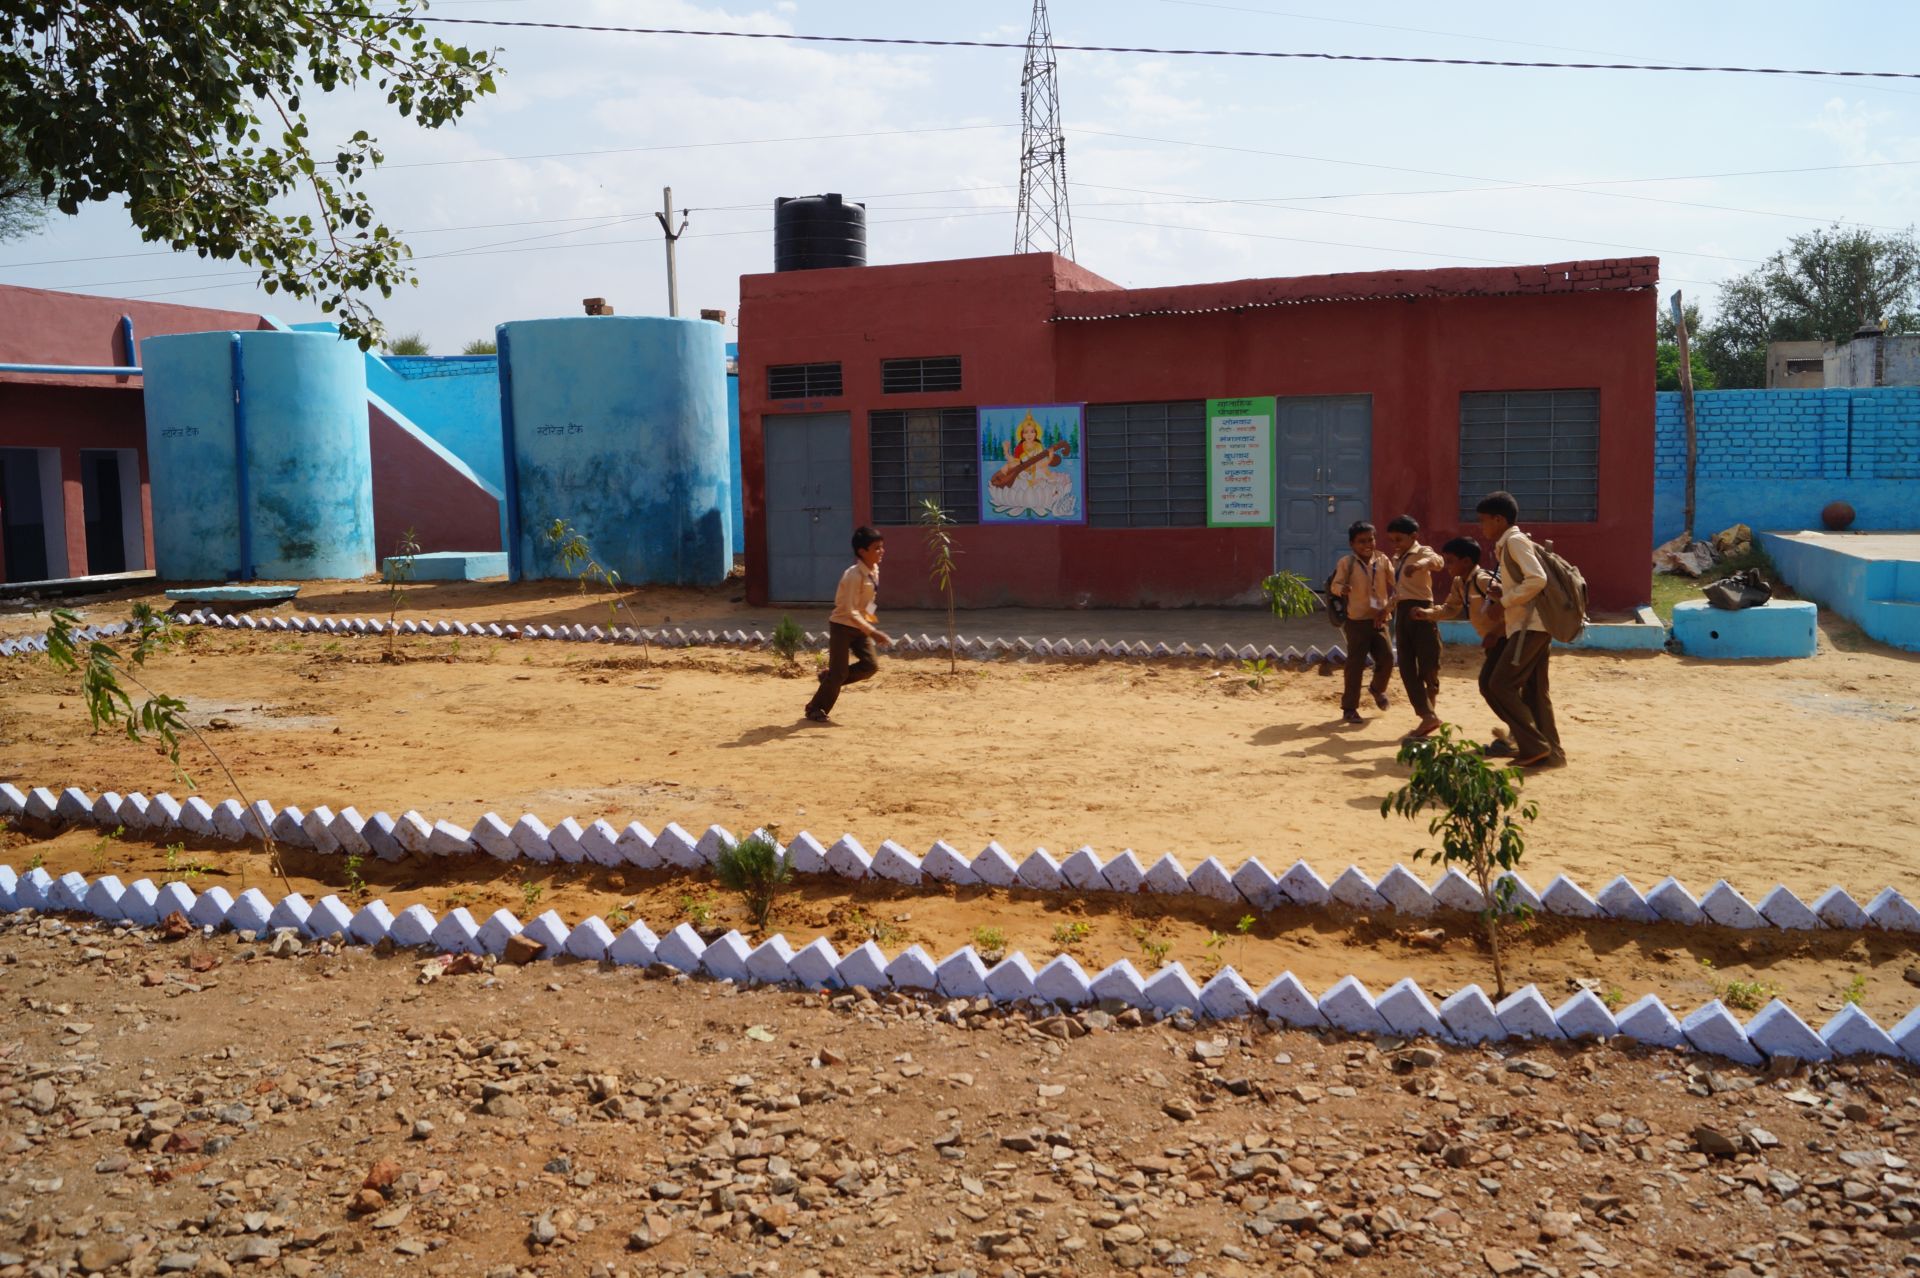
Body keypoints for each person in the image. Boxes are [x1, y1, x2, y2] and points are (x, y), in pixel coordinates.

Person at [1475, 491, 1564, 769]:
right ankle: (1551, 755)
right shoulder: (1509, 544)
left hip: (1530, 626)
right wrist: (1507, 591)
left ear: (1499, 519)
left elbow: (1537, 579)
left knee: (1499, 684)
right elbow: (1527, 581)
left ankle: (1533, 745)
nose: (1482, 527)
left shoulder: (1514, 541)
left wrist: (1504, 601)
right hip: (1530, 625)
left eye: (1484, 521)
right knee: (1536, 693)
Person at [1416, 536, 1508, 749]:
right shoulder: (1460, 583)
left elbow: (1511, 604)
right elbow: (1450, 608)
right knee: (1492, 686)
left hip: (1505, 639)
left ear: (1466, 561)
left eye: (1450, 561)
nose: (1446, 566)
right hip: (1493, 642)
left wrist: (1496, 631)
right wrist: (1427, 614)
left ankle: (1519, 733)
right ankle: (1517, 731)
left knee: (1495, 686)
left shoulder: (1483, 580)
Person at [805, 526, 893, 723]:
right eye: (876, 548)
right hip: (842, 627)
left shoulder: (874, 571)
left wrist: (870, 619)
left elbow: (870, 600)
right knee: (840, 673)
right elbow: (849, 610)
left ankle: (831, 677)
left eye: (882, 547)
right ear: (862, 552)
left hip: (860, 626)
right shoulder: (853, 575)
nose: (882, 551)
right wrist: (873, 632)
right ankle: (815, 708)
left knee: (870, 666)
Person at [1385, 514, 1444, 739]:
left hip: (1422, 611)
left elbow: (1437, 562)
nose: (1395, 544)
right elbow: (1399, 590)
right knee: (1407, 667)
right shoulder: (1397, 559)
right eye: (1392, 540)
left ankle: (1430, 712)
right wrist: (1387, 609)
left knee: (1429, 664)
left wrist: (1419, 565)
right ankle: (1427, 715)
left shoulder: (1423, 552)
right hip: (1402, 613)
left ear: (1413, 536)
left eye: (1399, 539)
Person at [1329, 520, 1393, 726]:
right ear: (1352, 544)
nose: (1367, 544)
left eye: (1371, 539)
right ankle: (1349, 708)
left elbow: (1397, 582)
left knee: (1387, 659)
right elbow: (1335, 585)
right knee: (1355, 665)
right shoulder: (1346, 563)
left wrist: (1388, 608)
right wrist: (1341, 589)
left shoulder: (1383, 560)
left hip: (1379, 619)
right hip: (1356, 620)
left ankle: (1376, 688)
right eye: (1361, 541)